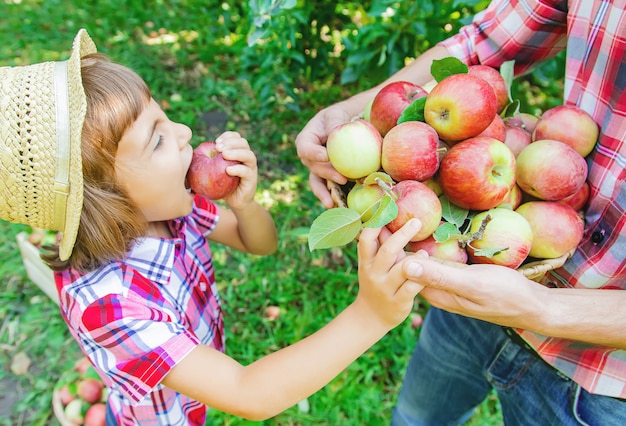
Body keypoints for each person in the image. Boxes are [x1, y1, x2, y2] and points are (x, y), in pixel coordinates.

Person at [0, 29, 425, 425]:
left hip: (192, 386)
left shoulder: (166, 208)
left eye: (165, 119)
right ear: (105, 200)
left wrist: (245, 205)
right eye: (158, 139)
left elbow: (258, 243)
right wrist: (369, 315)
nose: (184, 131)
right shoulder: (106, 304)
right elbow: (248, 393)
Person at [295, 0, 625, 424]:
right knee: (415, 418)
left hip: (599, 379)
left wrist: (543, 309)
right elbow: (484, 45)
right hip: (471, 271)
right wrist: (349, 113)